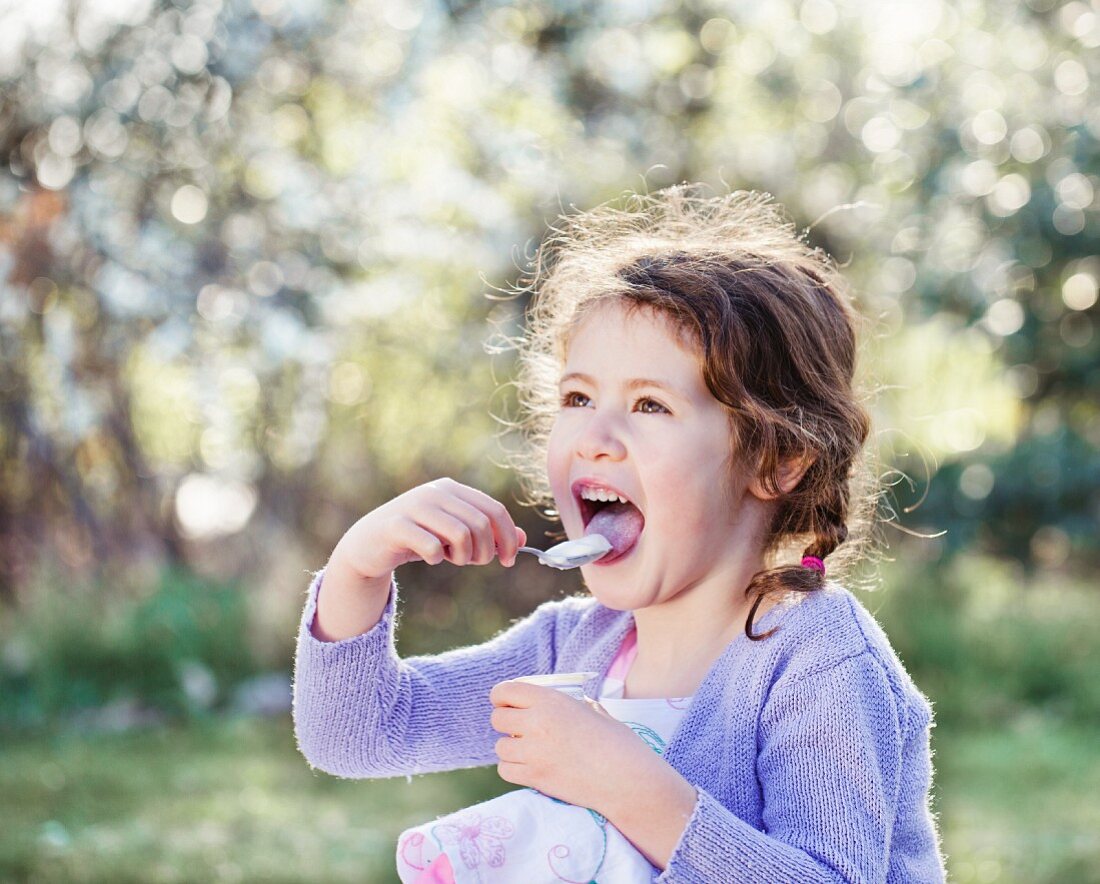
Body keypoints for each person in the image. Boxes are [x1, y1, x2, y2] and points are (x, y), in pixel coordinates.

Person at [292, 185, 947, 882]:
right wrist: (357, 570)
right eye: (577, 398)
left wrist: (631, 787)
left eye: (649, 404)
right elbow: (361, 735)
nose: (594, 438)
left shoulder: (816, 661)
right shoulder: (575, 646)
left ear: (777, 460)